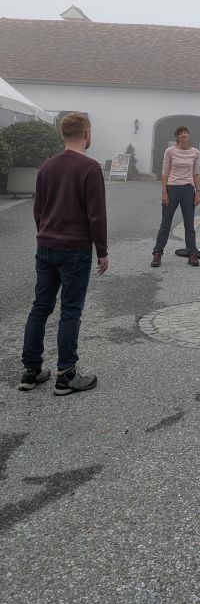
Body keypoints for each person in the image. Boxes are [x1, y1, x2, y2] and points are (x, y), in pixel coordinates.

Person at [19, 112, 108, 396]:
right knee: (71, 310)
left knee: (40, 307)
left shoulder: (46, 167)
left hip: (46, 246)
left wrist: (45, 234)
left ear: (63, 134)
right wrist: (102, 251)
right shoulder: (90, 168)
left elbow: (38, 210)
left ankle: (31, 371)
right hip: (74, 249)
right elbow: (96, 215)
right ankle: (66, 374)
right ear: (87, 133)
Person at [151, 125, 200, 267]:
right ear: (177, 137)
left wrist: (198, 192)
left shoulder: (195, 152)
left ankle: (192, 253)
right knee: (165, 224)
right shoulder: (170, 151)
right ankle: (157, 253)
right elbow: (165, 172)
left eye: (186, 132)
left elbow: (196, 173)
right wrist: (164, 192)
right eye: (181, 133)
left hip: (188, 190)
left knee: (189, 224)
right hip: (172, 189)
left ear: (188, 135)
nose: (184, 135)